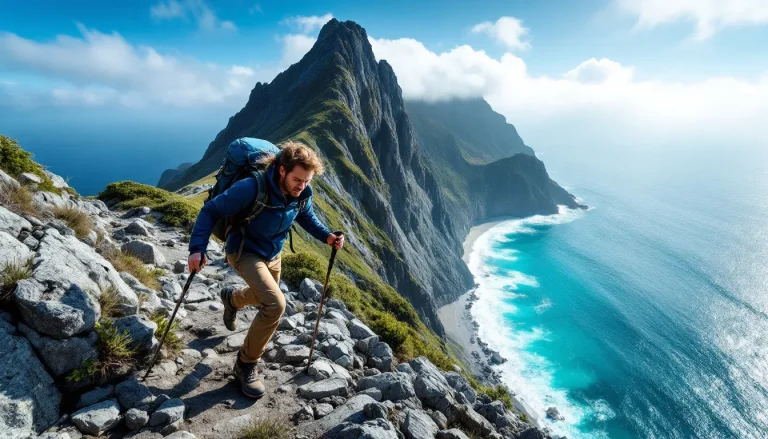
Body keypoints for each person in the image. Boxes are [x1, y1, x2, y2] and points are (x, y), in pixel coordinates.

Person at [186, 140, 344, 399]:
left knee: (263, 297)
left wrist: (327, 236)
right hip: (245, 251)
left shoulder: (302, 192)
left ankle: (232, 298)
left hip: (273, 253)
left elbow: (305, 215)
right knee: (275, 305)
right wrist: (197, 248)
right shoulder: (251, 187)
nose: (302, 186)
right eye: (297, 180)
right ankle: (245, 365)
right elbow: (210, 210)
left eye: (306, 181)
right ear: (282, 170)